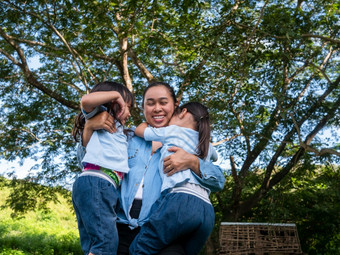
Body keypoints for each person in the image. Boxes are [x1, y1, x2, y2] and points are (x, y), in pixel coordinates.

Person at [77, 82, 225, 254]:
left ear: (176, 106)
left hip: (157, 228)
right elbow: (85, 163)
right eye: (150, 103)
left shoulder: (189, 143)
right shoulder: (126, 136)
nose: (157, 108)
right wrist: (89, 127)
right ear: (143, 108)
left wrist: (193, 162)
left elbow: (219, 181)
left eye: (163, 102)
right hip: (119, 225)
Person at [130, 102, 217, 255]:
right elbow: (215, 157)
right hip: (206, 211)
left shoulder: (173, 131)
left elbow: (140, 131)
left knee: (140, 247)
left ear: (183, 112)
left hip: (180, 201)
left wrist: (148, 122)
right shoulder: (206, 143)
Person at [72, 81, 134, 255]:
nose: (129, 112)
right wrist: (116, 95)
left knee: (94, 245)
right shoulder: (100, 116)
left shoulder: (122, 131)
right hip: (98, 183)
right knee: (106, 244)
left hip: (95, 185)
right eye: (126, 106)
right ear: (114, 104)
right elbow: (85, 101)